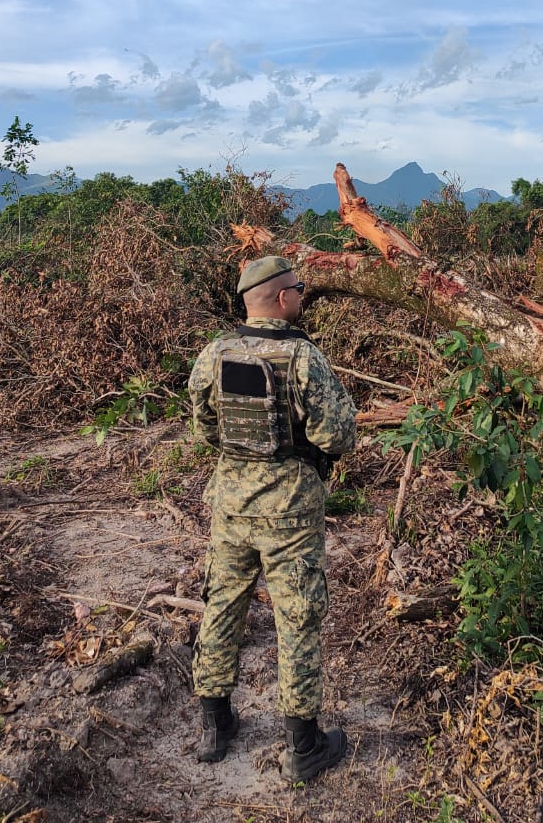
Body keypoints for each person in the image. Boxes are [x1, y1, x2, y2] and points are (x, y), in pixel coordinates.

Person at [189, 255, 357, 781]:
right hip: (290, 510)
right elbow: (339, 436)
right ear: (283, 298)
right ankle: (303, 745)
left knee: (222, 604)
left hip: (231, 505)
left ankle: (215, 726)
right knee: (298, 616)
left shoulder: (212, 355)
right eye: (300, 290)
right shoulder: (303, 357)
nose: (302, 297)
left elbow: (204, 429)